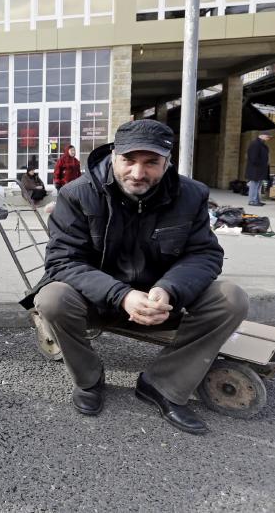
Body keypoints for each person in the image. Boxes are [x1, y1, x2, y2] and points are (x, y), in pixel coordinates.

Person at [22, 119, 248, 435]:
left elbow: (204, 254)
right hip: (98, 302)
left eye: (151, 163)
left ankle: (163, 384)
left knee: (232, 299)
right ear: (114, 155)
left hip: (162, 304)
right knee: (51, 298)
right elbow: (62, 262)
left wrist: (169, 289)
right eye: (128, 160)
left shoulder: (191, 195)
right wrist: (122, 295)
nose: (138, 173)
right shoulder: (78, 194)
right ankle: (89, 379)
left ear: (167, 162)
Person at [245, 132, 272, 207]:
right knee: (254, 185)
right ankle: (252, 201)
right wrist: (260, 164)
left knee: (258, 185)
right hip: (256, 169)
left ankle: (256, 200)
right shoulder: (255, 144)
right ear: (261, 136)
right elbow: (253, 158)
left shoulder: (261, 144)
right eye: (267, 136)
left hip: (260, 169)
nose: (268, 138)